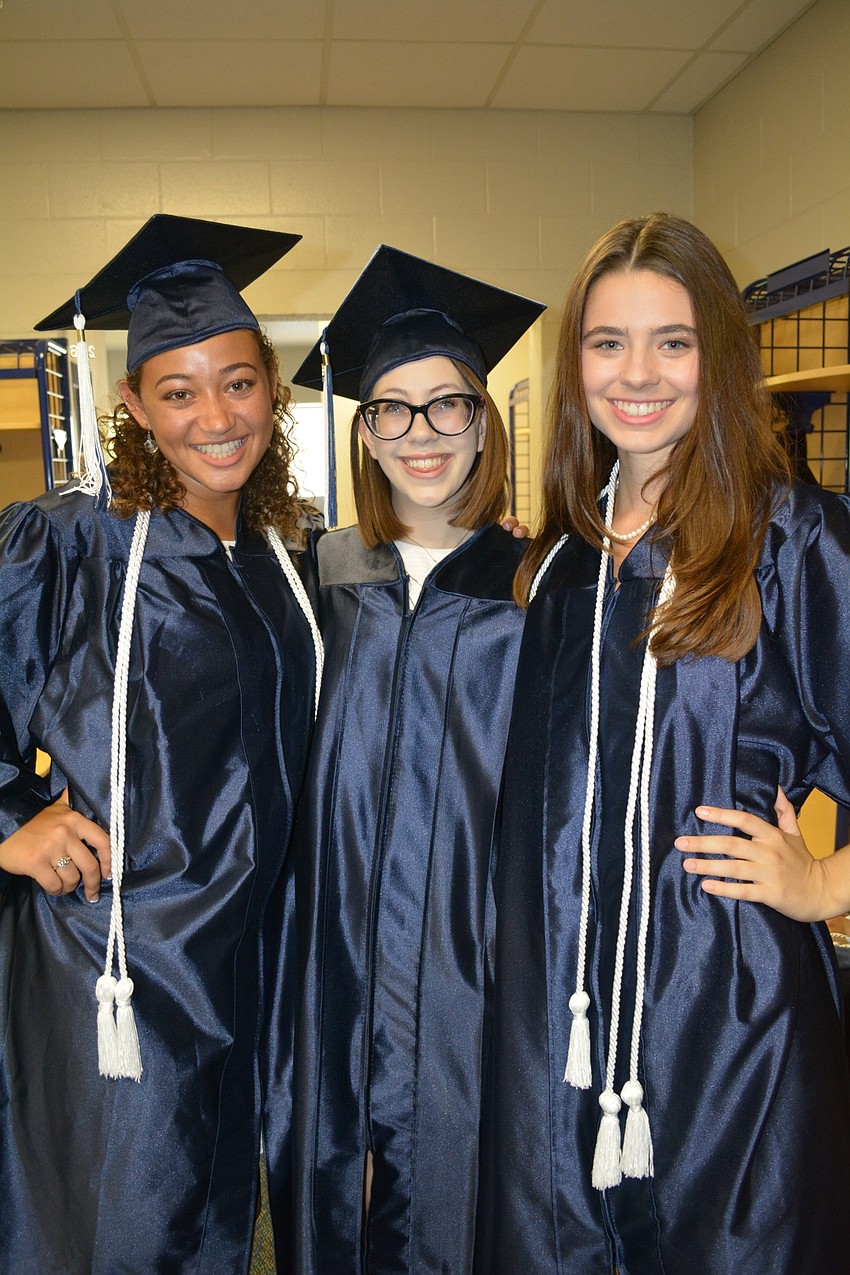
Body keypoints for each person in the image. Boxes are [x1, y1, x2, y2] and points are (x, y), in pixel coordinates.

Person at [476, 213, 850, 1275]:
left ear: (717, 355)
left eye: (672, 341)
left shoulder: (784, 538)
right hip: (561, 1025)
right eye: (607, 343)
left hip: (730, 1023)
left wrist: (824, 883)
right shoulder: (559, 561)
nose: (636, 373)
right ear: (574, 365)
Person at [0, 215, 322, 1274]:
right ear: (135, 408)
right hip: (119, 966)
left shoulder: (289, 557)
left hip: (250, 969)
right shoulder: (68, 543)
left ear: (271, 392)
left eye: (236, 382)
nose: (214, 416)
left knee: (218, 1228)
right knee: (119, 1234)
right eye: (178, 392)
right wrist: (10, 821)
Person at [268, 246, 544, 1274]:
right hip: (329, 953)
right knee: (331, 1189)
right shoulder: (314, 576)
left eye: (446, 405)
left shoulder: (538, 583)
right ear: (362, 429)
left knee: (463, 1203)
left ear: (484, 418)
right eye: (391, 407)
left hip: (471, 962)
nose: (421, 434)